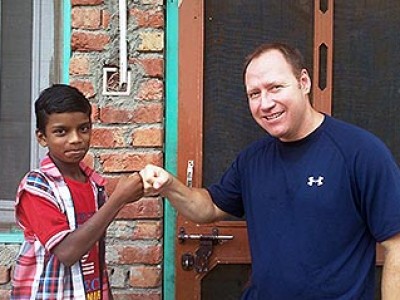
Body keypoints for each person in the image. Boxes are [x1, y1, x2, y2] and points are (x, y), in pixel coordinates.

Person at [140, 42, 400, 299]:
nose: (265, 103)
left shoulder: (360, 152)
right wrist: (169, 185)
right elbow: (207, 207)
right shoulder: (253, 159)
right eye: (255, 94)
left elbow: (396, 246)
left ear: (304, 82)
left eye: (275, 88)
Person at [11, 84, 143, 300]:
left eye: (83, 128)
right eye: (61, 131)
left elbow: (93, 248)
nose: (76, 139)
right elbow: (67, 252)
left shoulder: (92, 184)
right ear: (42, 137)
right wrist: (119, 199)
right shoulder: (37, 187)